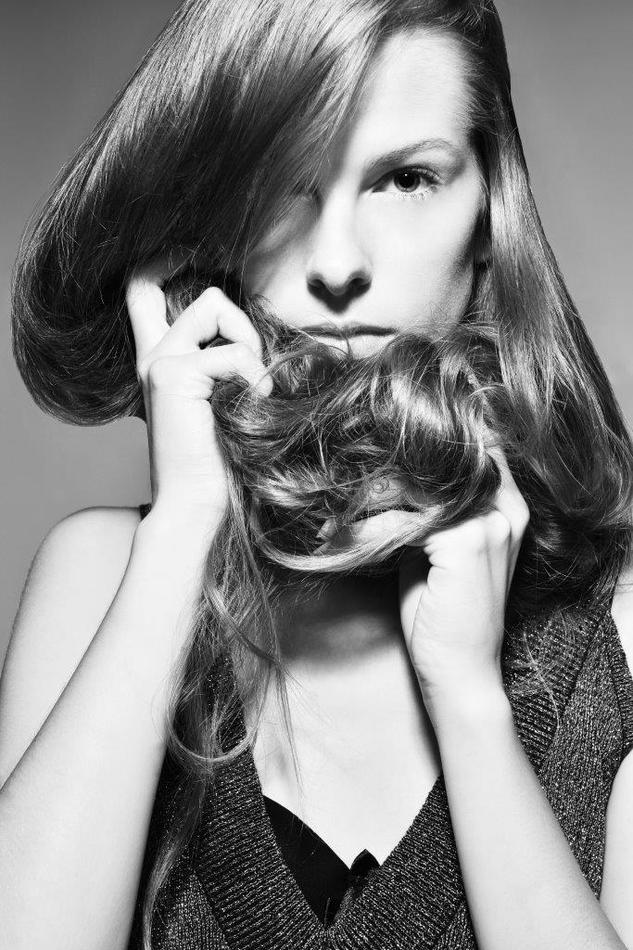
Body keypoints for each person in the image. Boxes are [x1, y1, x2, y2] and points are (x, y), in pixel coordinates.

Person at [2, 0, 633, 948]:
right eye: (282, 183)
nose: (338, 263)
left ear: (487, 216)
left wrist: (470, 704)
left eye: (405, 179)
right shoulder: (104, 576)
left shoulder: (612, 631)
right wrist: (186, 526)